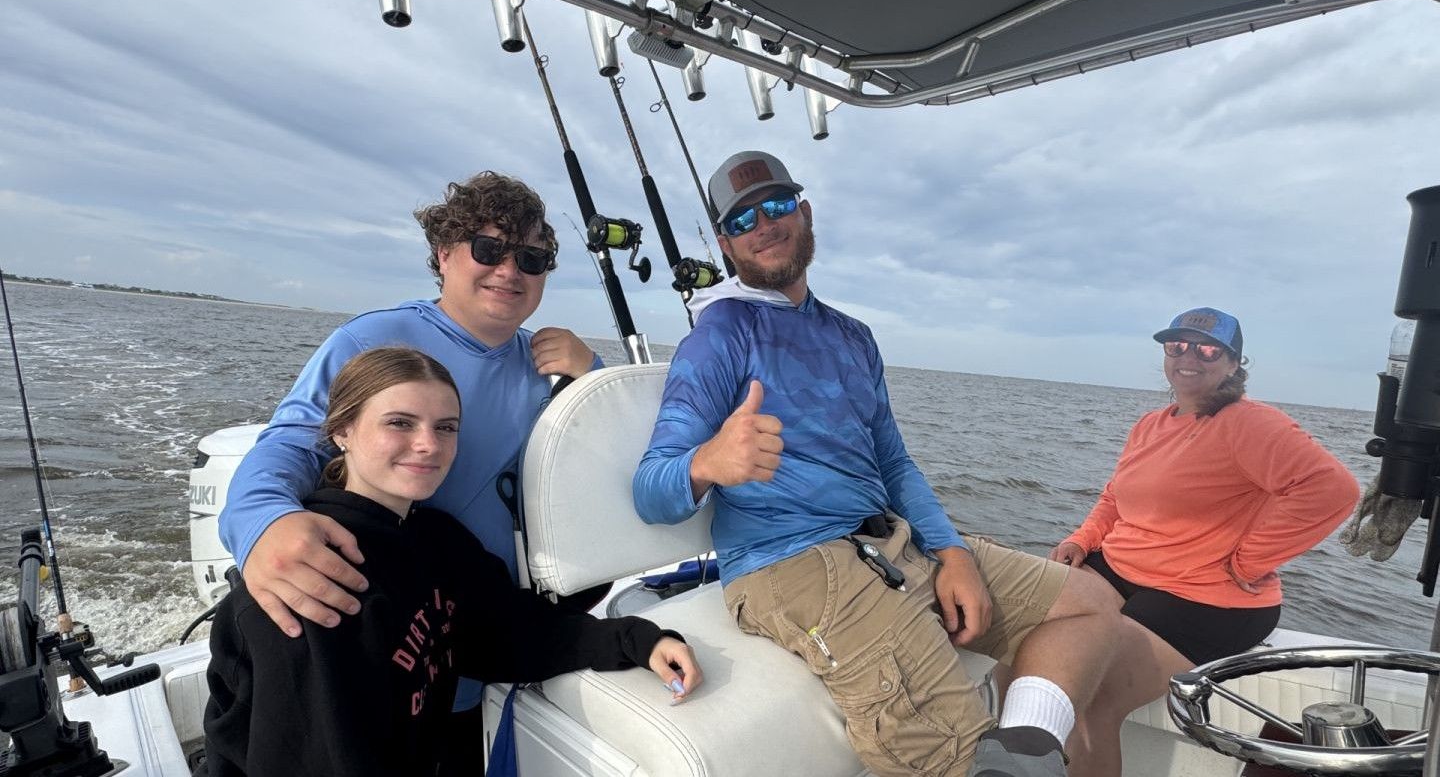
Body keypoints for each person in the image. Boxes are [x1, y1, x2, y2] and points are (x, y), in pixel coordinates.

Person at [633, 150, 1122, 777]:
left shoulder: (853, 336)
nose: (764, 224)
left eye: (777, 205)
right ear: (727, 245)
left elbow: (892, 460)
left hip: (889, 538)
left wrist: (953, 552)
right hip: (790, 562)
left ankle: (1019, 750)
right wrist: (707, 462)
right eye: (742, 219)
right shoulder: (719, 336)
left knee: (1090, 603)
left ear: (805, 214)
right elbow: (651, 490)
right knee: (955, 755)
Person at [216, 172, 600, 750]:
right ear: (444, 254)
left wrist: (593, 376)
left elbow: (600, 460)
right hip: (384, 639)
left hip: (487, 637)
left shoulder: (552, 367)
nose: (509, 270)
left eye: (531, 258)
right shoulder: (372, 338)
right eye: (489, 249)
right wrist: (262, 521)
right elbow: (293, 443)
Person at [204, 347, 702, 777]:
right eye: (400, 423)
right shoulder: (314, 579)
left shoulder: (437, 541)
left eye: (445, 428)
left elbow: (505, 633)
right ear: (342, 432)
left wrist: (637, 640)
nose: (428, 445)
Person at [1048, 307, 1358, 777]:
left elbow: (1332, 489)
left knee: (1087, 696)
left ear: (1234, 363)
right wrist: (1082, 538)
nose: (1189, 357)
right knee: (1027, 637)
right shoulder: (1150, 424)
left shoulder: (1247, 422)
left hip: (1205, 595)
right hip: (1125, 568)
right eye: (1177, 345)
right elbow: (1115, 495)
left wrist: (1250, 559)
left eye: (1208, 350)